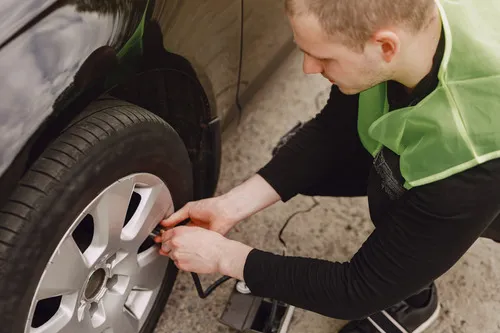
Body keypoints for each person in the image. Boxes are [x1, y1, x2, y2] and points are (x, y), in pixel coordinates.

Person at [155, 0, 500, 332]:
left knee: (391, 191)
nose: (307, 68)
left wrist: (225, 257)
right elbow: (336, 126)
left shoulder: (466, 152)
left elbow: (357, 289)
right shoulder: (408, 28)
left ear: (386, 47)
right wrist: (230, 206)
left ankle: (412, 299)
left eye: (322, 57)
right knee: (305, 159)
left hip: (479, 173)